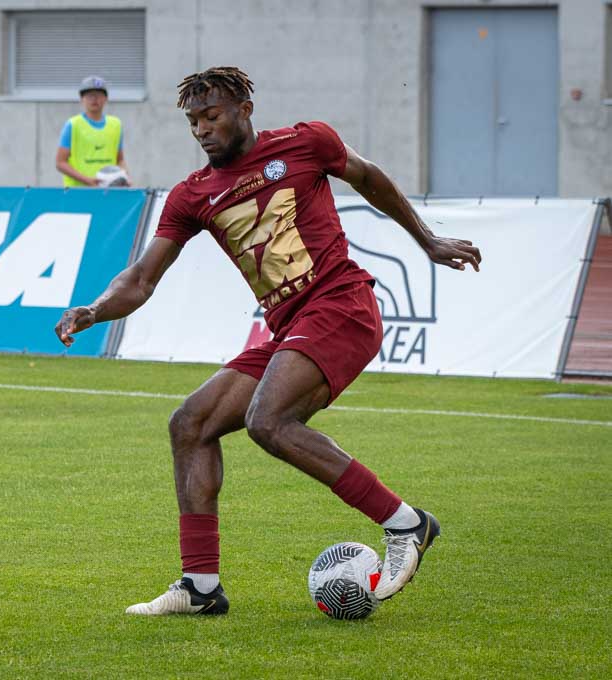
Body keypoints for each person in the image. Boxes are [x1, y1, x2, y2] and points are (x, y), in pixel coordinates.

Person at [54, 66, 481, 615]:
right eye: (193, 121)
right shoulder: (192, 194)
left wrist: (428, 240)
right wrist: (94, 310)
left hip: (342, 306)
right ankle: (200, 587)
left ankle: (406, 524)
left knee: (268, 420)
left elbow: (369, 177)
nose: (201, 130)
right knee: (191, 424)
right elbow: (141, 279)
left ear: (244, 110)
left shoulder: (307, 143)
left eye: (212, 116)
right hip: (290, 325)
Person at [55, 76, 130, 187]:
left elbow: (120, 160)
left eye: (99, 95)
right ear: (82, 99)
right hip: (79, 191)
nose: (94, 99)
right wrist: (87, 180)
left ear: (106, 98)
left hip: (108, 191)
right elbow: (60, 162)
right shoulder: (73, 125)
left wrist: (125, 177)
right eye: (90, 95)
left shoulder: (116, 125)